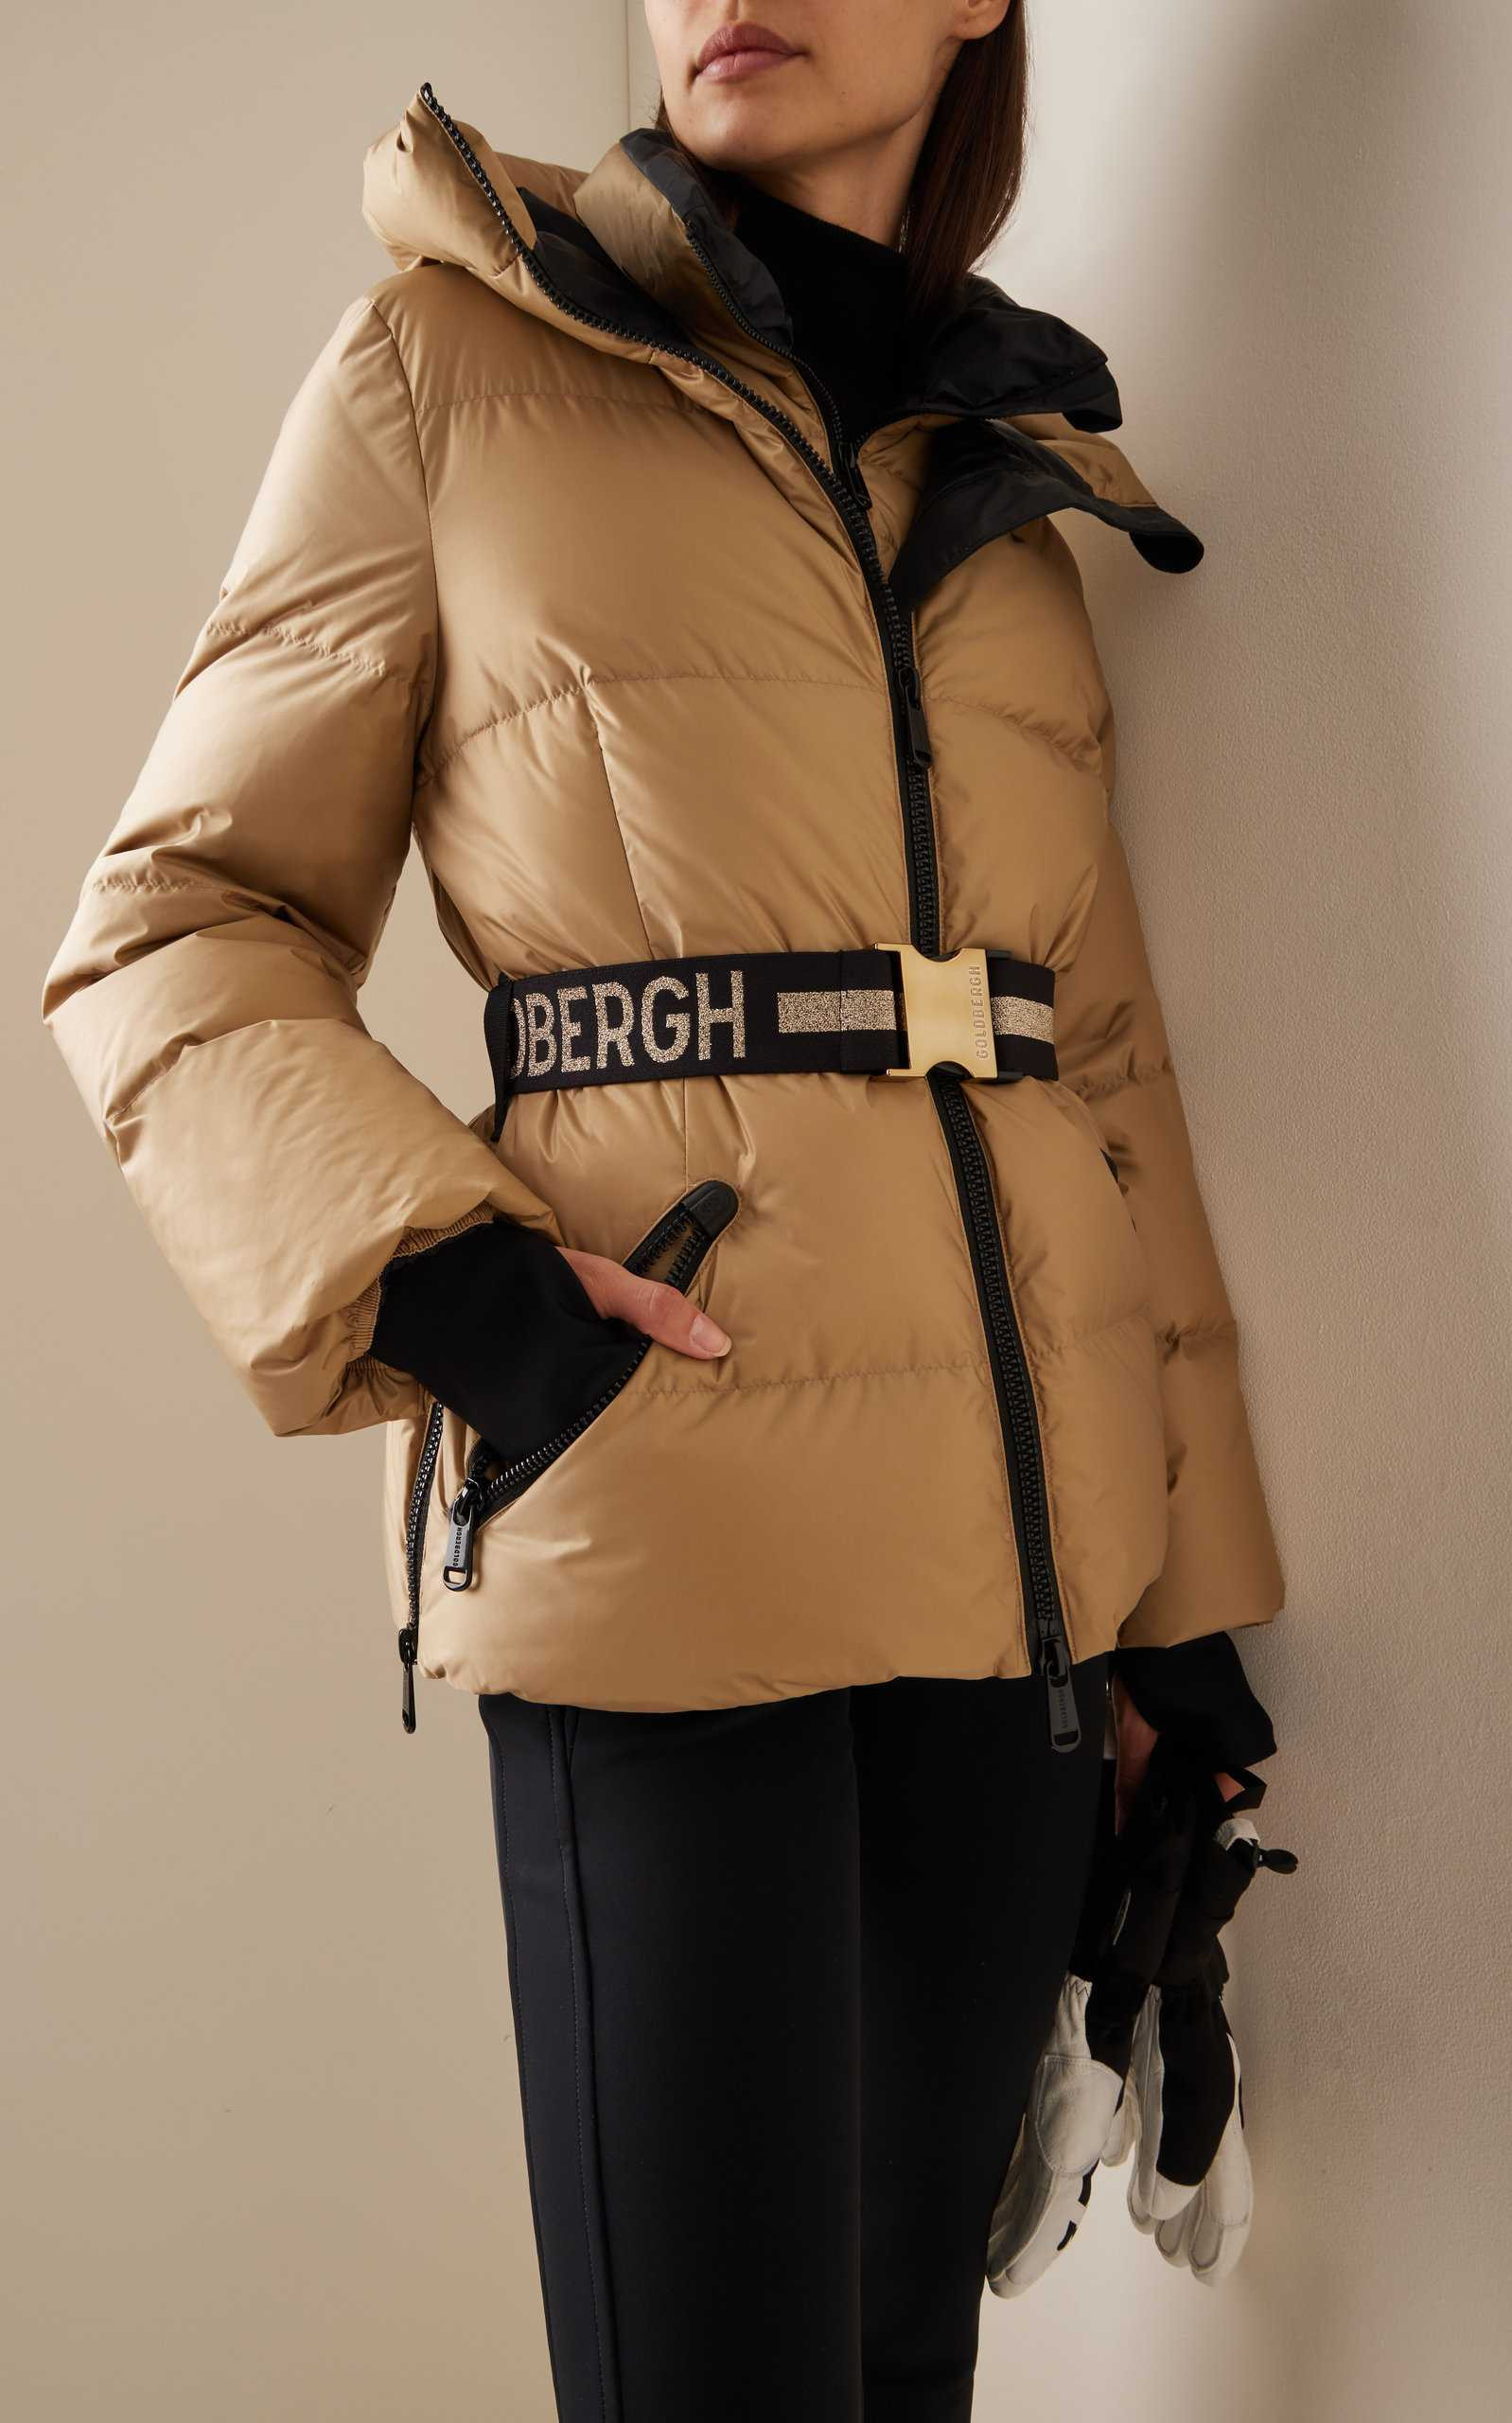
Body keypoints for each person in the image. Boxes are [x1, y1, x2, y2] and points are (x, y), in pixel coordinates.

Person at [39, 5, 1288, 2417]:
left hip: (1024, 1592)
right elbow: (171, 923)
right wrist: (472, 1301)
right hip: (659, 1509)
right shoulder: (444, 371)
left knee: (901, 2366)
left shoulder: (1007, 480)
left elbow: (1095, 1061)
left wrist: (1181, 1611)